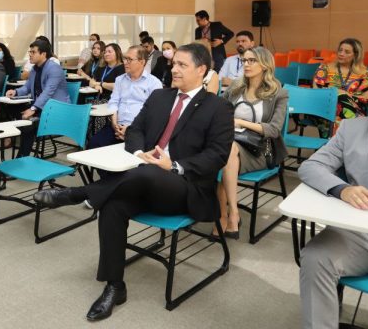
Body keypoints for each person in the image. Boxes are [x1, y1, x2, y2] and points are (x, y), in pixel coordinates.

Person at [33, 43, 234, 321]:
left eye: (181, 65)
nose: (173, 69)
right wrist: (141, 152)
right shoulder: (160, 97)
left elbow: (218, 155)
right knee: (114, 205)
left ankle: (81, 193)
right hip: (142, 180)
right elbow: (136, 130)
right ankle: (115, 286)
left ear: (201, 70)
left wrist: (173, 164)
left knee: (147, 172)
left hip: (186, 187)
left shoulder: (218, 107)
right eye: (173, 63)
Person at [298, 61, 368, 329]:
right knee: (315, 257)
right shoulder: (354, 128)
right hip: (364, 233)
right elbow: (311, 166)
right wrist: (342, 189)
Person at [218, 47, 288, 238]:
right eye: (245, 60)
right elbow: (218, 108)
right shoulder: (236, 87)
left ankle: (231, 214)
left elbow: (273, 130)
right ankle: (224, 214)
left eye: (252, 61)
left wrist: (240, 122)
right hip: (230, 143)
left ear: (265, 65)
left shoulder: (278, 93)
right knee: (222, 153)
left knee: (226, 152)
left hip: (260, 149)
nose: (246, 64)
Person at [88, 45, 162, 149]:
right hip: (117, 126)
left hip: (140, 129)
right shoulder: (120, 80)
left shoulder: (153, 83)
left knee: (132, 151)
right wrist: (114, 123)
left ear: (142, 62)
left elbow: (155, 113)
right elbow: (113, 102)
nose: (125, 62)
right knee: (94, 144)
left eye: (130, 59)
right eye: (125, 58)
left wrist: (131, 128)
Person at [5, 39, 70, 157]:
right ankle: (21, 156)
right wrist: (15, 92)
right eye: (30, 52)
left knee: (28, 126)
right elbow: (27, 87)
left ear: (43, 54)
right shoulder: (35, 69)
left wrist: (33, 109)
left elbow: (48, 92)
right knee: (13, 112)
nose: (30, 54)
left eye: (33, 52)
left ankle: (22, 158)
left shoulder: (54, 68)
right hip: (42, 108)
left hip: (56, 110)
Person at [312, 37, 368, 136]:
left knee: (342, 101)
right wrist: (339, 95)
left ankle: (334, 146)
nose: (341, 54)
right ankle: (349, 141)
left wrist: (342, 94)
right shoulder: (324, 69)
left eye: (347, 52)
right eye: (340, 50)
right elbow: (316, 92)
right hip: (325, 109)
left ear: (356, 55)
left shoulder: (365, 75)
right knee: (340, 109)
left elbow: (365, 98)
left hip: (352, 111)